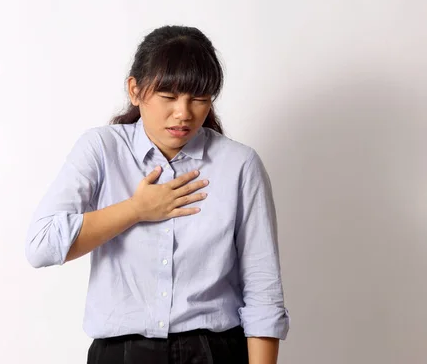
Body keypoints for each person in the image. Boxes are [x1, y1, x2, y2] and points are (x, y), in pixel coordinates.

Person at [26, 25, 290, 364]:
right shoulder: (101, 149)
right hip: (120, 353)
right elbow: (41, 246)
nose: (184, 113)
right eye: (168, 97)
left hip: (214, 352)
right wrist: (136, 209)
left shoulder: (239, 165)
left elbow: (263, 289)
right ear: (135, 90)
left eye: (199, 98)